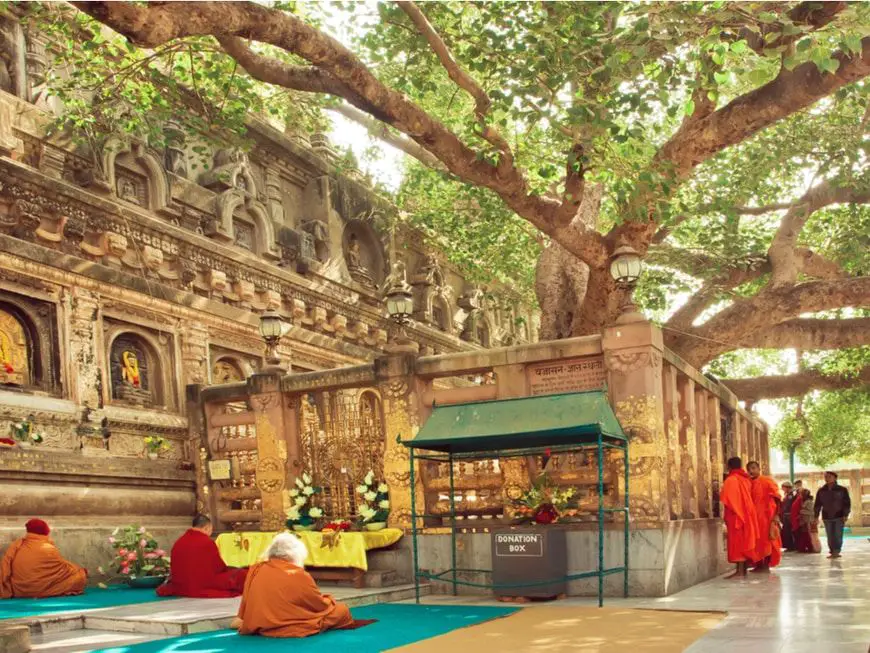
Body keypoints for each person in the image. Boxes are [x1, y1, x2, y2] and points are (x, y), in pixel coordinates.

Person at [234, 533, 354, 638]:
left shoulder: (257, 569)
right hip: (290, 624)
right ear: (292, 554)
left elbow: (246, 602)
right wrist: (329, 600)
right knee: (341, 610)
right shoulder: (297, 574)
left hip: (260, 622)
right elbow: (318, 604)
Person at [156, 515, 248, 598]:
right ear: (207, 528)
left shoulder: (179, 542)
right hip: (202, 584)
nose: (210, 533)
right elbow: (219, 568)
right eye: (211, 530)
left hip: (181, 585)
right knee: (242, 575)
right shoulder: (207, 542)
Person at [0, 519, 87, 598]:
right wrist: (79, 571)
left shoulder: (17, 545)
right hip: (40, 588)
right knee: (79, 577)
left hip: (18, 590)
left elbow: (5, 568)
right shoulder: (48, 548)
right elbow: (62, 570)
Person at [720, 457, 759, 578]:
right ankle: (742, 571)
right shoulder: (746, 479)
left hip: (736, 516)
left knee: (737, 544)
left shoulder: (731, 480)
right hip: (747, 515)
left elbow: (729, 500)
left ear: (729, 467)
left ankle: (740, 571)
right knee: (744, 542)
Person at [747, 461, 782, 572]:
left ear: (759, 468)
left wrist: (776, 515)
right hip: (754, 517)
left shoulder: (766, 481)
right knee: (756, 541)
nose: (751, 471)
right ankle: (758, 565)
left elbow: (778, 498)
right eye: (749, 469)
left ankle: (765, 565)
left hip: (766, 517)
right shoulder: (749, 483)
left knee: (767, 541)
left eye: (753, 468)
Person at [814, 471, 851, 559]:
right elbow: (817, 504)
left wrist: (845, 514)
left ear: (835, 478)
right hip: (826, 516)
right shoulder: (821, 490)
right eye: (826, 477)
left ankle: (836, 551)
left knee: (838, 535)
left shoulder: (842, 490)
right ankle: (832, 551)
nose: (827, 478)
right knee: (830, 535)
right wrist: (816, 516)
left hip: (839, 516)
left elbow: (847, 503)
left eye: (829, 477)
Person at [794, 489, 819, 554]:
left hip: (809, 521)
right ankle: (804, 548)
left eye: (802, 494)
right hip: (804, 521)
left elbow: (812, 512)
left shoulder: (810, 502)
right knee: (804, 535)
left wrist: (801, 512)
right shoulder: (804, 501)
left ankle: (812, 548)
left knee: (810, 536)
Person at [780, 481, 795, 551]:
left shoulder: (790, 496)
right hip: (786, 515)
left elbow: (788, 506)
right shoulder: (787, 495)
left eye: (783, 487)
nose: (783, 489)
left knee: (788, 531)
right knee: (786, 531)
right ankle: (789, 546)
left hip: (788, 515)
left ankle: (791, 546)